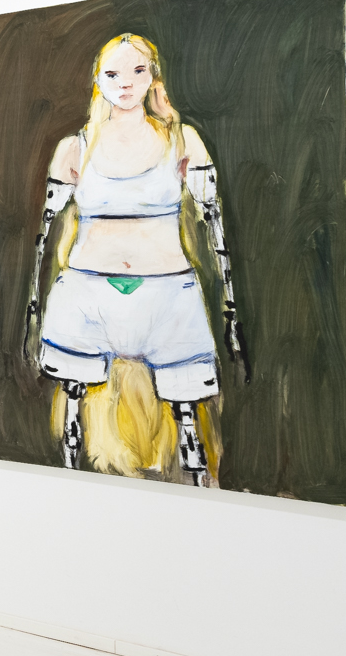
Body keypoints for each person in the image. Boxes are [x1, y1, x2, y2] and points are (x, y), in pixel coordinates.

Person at [26, 33, 248, 486]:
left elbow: (216, 225)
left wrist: (230, 308)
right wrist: (32, 306)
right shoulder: (75, 148)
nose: (125, 83)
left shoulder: (183, 141)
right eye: (112, 74)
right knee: (73, 415)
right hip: (86, 298)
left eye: (137, 71)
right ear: (98, 81)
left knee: (189, 420)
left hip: (168, 299)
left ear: (153, 78)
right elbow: (42, 238)